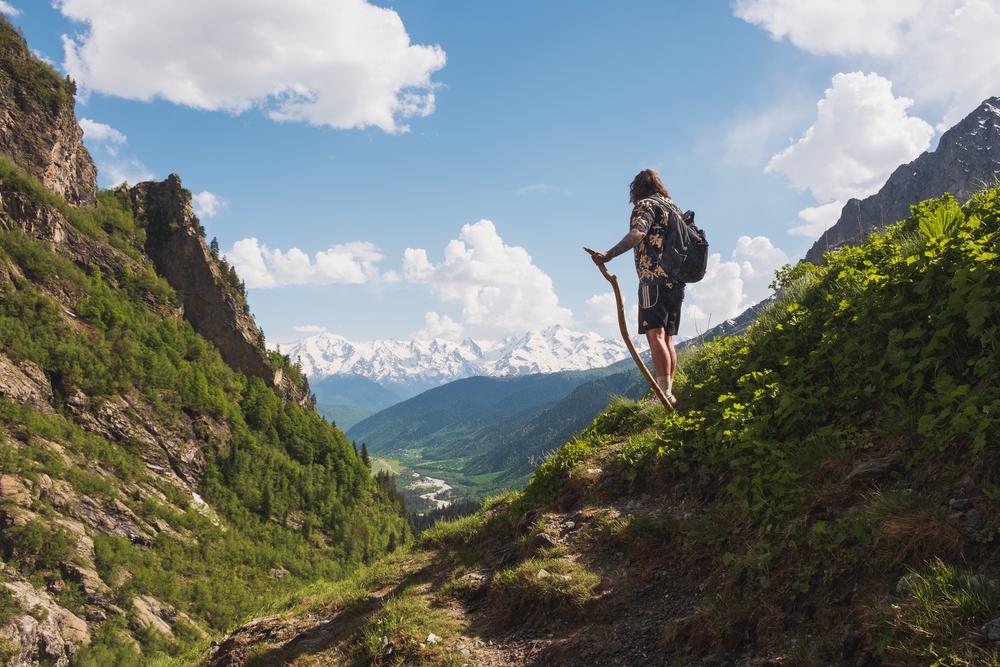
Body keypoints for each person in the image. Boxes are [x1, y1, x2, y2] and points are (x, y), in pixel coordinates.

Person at [590, 169, 685, 405]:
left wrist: (609, 254)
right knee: (668, 338)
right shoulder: (673, 208)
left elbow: (638, 232)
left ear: (637, 189)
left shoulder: (646, 205)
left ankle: (663, 394)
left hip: (653, 278)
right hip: (677, 280)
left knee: (656, 335)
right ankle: (668, 390)